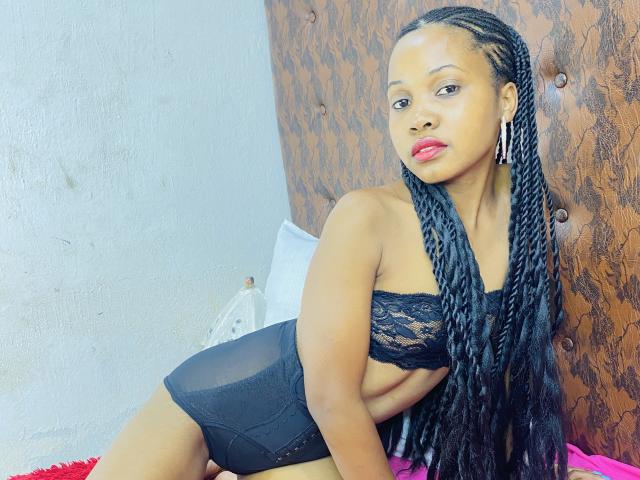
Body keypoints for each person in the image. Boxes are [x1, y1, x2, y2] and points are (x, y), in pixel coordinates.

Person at [86, 6, 586, 480]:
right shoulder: (366, 216)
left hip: (321, 444)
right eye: (401, 101)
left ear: (507, 100)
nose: (419, 117)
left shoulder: (525, 213)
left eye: (446, 88)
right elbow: (330, 398)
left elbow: (502, 370)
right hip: (214, 412)